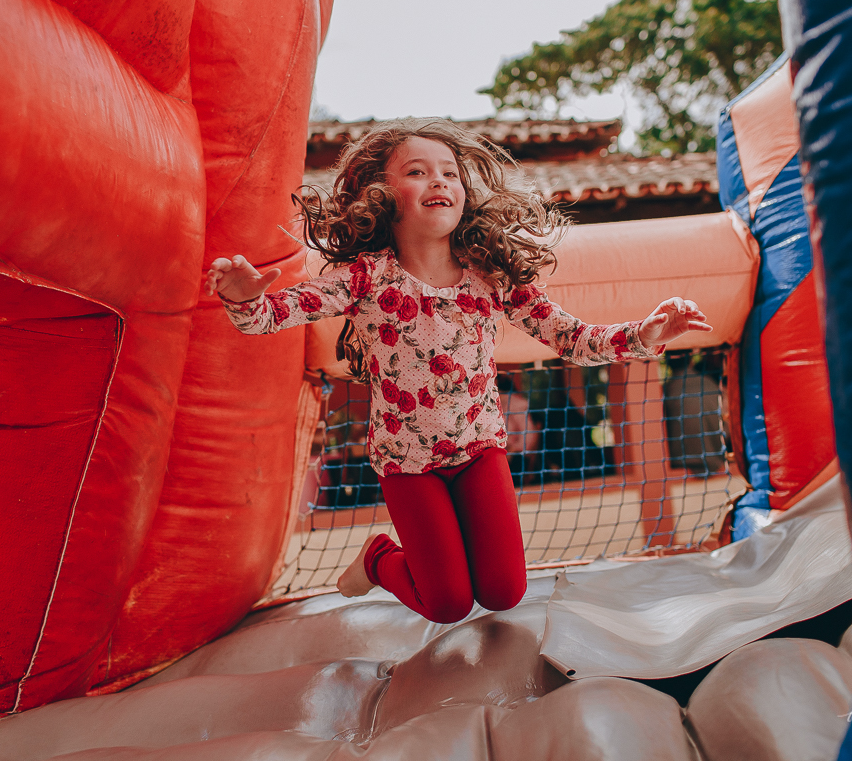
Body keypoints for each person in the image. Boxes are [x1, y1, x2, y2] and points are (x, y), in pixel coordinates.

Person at [206, 118, 711, 624]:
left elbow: (573, 339)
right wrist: (245, 299)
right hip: (408, 463)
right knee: (447, 603)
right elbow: (273, 314)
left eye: (450, 172)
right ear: (381, 194)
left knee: (503, 592)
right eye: (417, 171)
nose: (439, 181)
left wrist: (646, 334)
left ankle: (420, 561)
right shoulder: (366, 278)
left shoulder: (490, 277)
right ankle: (379, 559)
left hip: (478, 451)